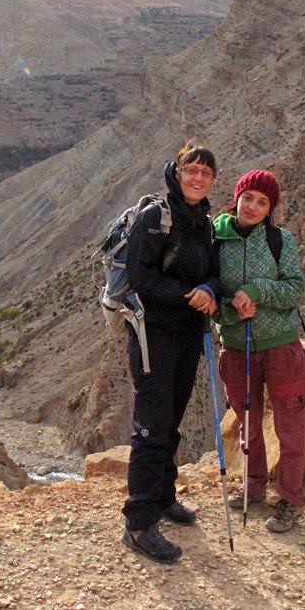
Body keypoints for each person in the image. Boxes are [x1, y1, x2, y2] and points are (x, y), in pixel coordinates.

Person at [121, 144, 220, 564]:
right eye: (190, 170)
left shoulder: (205, 224)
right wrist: (188, 296)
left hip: (187, 334)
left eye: (205, 173)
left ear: (212, 180)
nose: (197, 178)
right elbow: (139, 277)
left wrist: (210, 289)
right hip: (153, 333)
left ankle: (163, 496)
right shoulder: (154, 218)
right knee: (151, 425)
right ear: (177, 174)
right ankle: (138, 522)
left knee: (172, 417)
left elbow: (213, 271)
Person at [213, 170, 305, 533]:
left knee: (289, 427)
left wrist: (257, 290)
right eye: (248, 197)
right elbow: (210, 295)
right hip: (236, 346)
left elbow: (295, 290)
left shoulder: (279, 240)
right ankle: (254, 486)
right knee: (247, 422)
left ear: (271, 208)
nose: (252, 206)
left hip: (280, 345)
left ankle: (290, 498)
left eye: (262, 201)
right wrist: (231, 311)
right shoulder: (215, 241)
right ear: (236, 198)